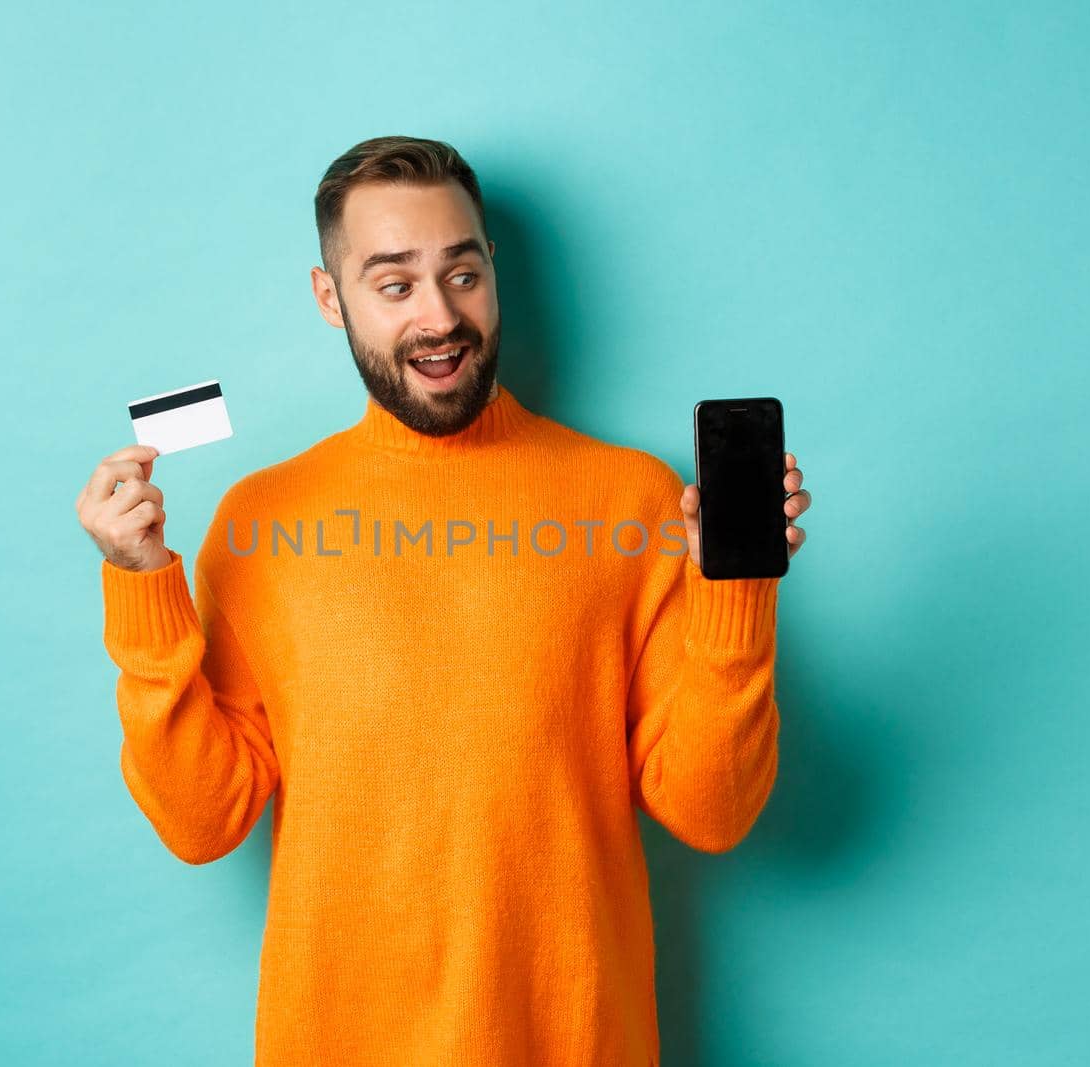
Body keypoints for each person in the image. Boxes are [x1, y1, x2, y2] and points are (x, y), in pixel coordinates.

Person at [74, 135, 812, 1067]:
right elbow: (200, 818)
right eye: (394, 284)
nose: (439, 316)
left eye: (461, 273)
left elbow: (714, 811)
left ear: (494, 272)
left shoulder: (632, 500)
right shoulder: (261, 518)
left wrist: (735, 592)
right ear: (329, 298)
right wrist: (144, 585)